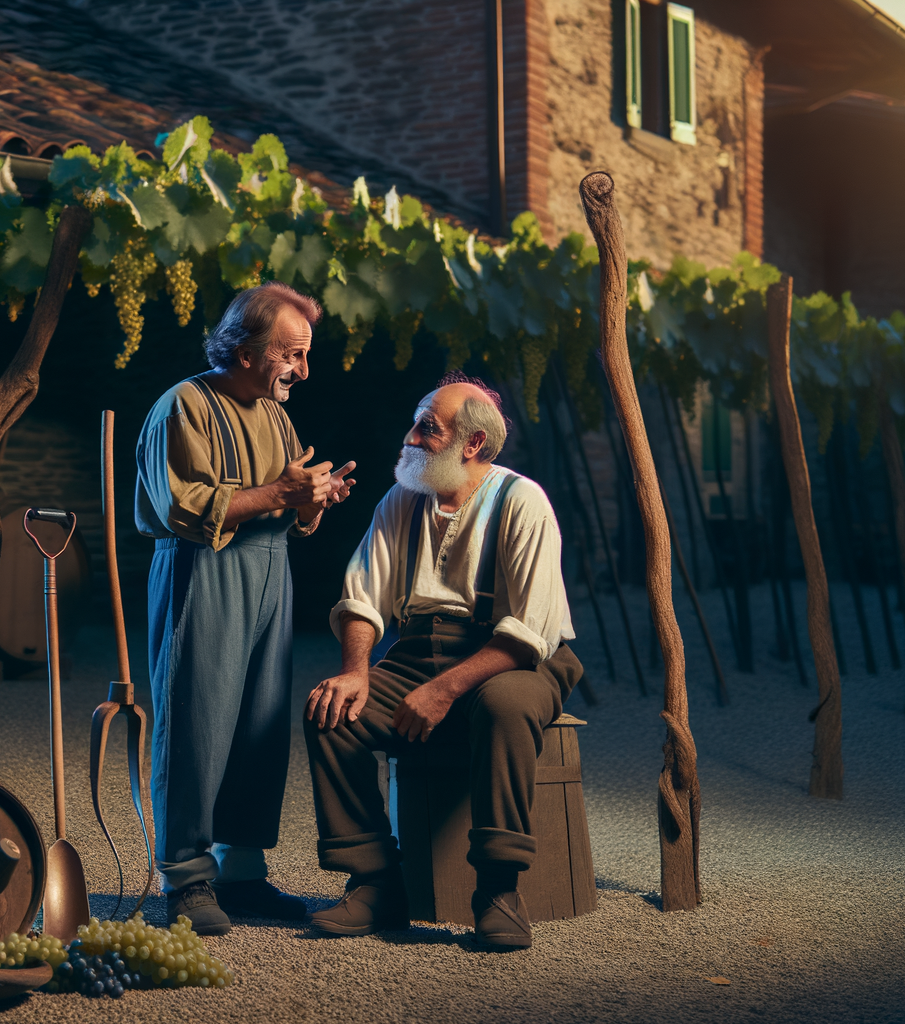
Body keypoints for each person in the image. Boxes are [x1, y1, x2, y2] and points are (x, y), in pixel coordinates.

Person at [302, 371, 583, 949]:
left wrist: (444, 689)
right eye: (415, 423)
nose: (409, 436)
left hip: (516, 657)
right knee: (329, 710)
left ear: (472, 443)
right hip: (417, 652)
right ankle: (377, 883)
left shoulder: (521, 500)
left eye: (426, 427)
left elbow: (529, 630)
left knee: (506, 706)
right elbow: (361, 595)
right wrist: (357, 672)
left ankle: (499, 891)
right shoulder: (403, 499)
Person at [134, 282, 356, 935]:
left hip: (270, 575)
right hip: (203, 572)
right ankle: (185, 876)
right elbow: (181, 508)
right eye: (291, 354)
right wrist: (281, 492)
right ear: (243, 348)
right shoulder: (184, 407)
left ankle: (242, 872)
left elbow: (287, 506)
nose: (303, 371)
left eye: (305, 355)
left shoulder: (274, 414)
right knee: (196, 720)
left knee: (259, 727)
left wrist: (311, 502)